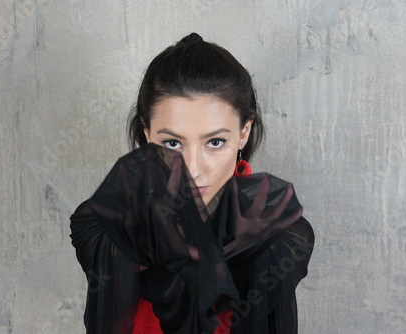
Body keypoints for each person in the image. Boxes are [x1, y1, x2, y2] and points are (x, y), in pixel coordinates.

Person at [70, 33, 314, 334]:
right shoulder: (106, 224)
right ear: (147, 133)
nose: (192, 170)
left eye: (214, 141)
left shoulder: (279, 234)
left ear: (243, 133)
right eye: (173, 143)